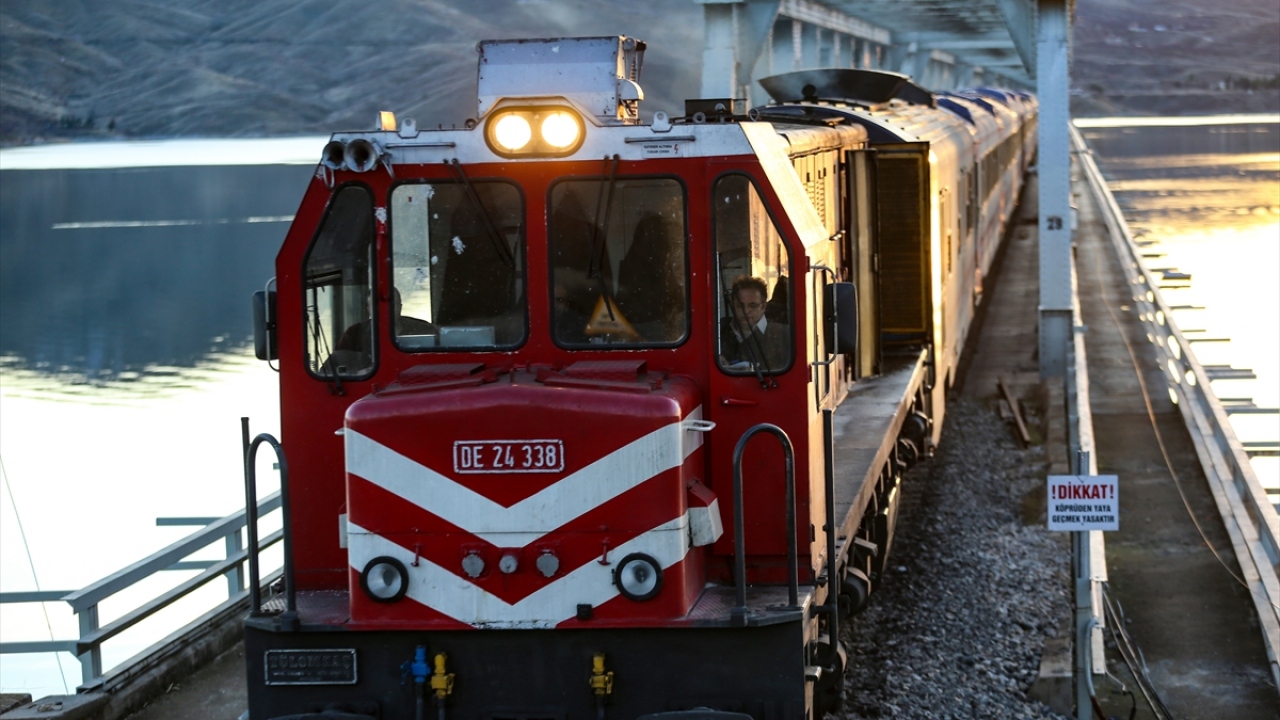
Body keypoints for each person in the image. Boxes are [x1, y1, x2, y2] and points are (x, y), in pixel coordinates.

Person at [719, 275, 789, 371]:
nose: (746, 311)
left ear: (763, 306)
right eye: (740, 305)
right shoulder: (719, 331)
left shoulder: (783, 335)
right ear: (733, 305)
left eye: (753, 305)